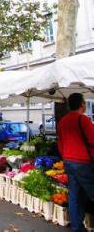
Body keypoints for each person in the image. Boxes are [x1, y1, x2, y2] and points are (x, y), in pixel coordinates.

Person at [57, 93, 94, 232]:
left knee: (74, 196)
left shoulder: (62, 121)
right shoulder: (83, 120)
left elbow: (60, 144)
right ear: (82, 104)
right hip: (83, 163)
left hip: (68, 162)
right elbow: (92, 140)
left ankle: (77, 228)